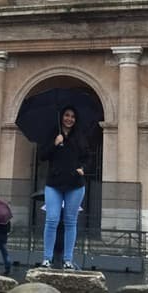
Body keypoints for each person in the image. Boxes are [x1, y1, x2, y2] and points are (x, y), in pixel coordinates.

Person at [37, 106, 88, 270]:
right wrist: (54, 143)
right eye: (66, 115)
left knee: (70, 222)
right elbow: (42, 156)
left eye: (73, 116)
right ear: (61, 117)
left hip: (75, 184)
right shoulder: (53, 134)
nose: (69, 119)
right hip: (54, 184)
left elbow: (88, 157)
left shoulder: (80, 136)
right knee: (51, 220)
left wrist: (83, 168)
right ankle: (47, 258)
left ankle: (68, 259)